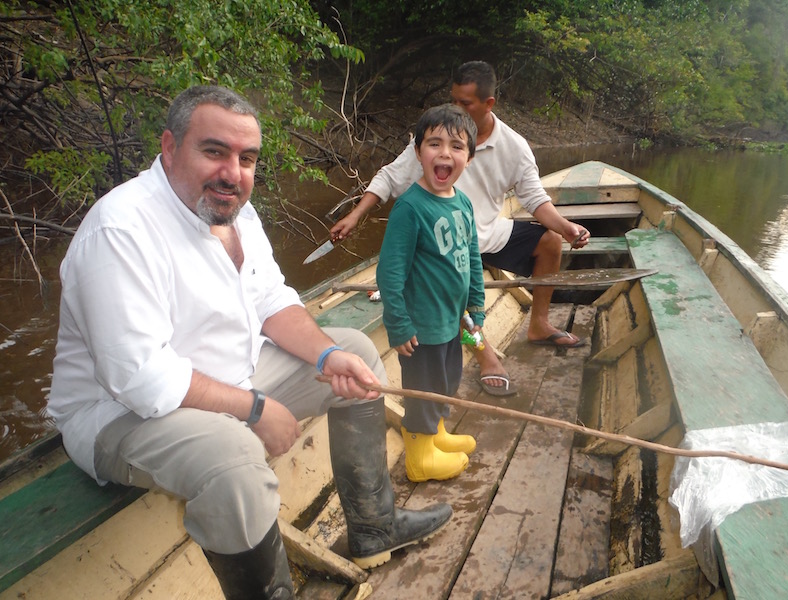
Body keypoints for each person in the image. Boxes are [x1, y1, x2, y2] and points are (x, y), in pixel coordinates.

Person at [48, 85, 452, 600]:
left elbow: (271, 300)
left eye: (247, 158)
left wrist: (328, 356)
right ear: (170, 148)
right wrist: (256, 408)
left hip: (227, 373)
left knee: (359, 354)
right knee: (236, 462)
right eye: (214, 151)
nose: (233, 172)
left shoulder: (233, 211)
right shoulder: (120, 230)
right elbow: (142, 379)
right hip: (120, 413)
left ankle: (375, 526)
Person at [331, 61, 590, 397]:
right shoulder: (435, 138)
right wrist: (355, 215)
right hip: (443, 239)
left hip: (484, 231)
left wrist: (567, 227)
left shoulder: (513, 146)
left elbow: (534, 199)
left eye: (465, 104)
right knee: (448, 280)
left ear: (489, 104)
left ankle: (539, 325)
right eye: (454, 100)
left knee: (550, 241)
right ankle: (485, 356)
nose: (456, 109)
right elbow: (390, 177)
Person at [376, 104, 483, 483]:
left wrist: (477, 307)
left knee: (446, 383)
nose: (444, 153)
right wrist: (399, 324)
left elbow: (471, 257)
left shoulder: (463, 203)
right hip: (421, 328)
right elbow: (389, 271)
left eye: (456, 146)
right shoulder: (409, 207)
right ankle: (419, 458)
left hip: (452, 322)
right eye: (433, 143)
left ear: (469, 158)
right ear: (418, 152)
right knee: (422, 391)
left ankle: (436, 435)